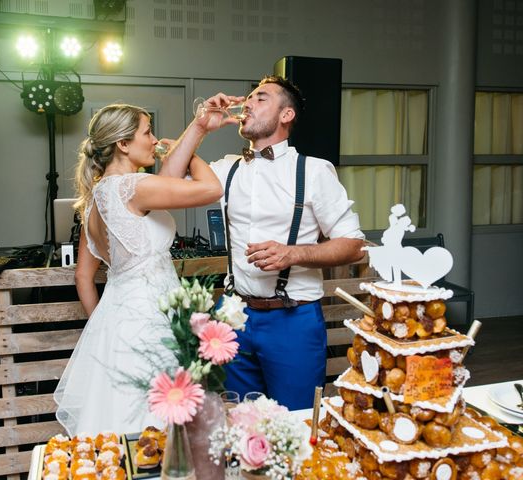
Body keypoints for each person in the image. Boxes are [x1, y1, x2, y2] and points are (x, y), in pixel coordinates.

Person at [161, 76, 365, 410]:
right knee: (241, 423)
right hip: (234, 316)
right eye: (250, 98)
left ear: (286, 115)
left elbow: (354, 243)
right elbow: (167, 183)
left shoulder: (313, 172)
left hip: (293, 320)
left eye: (261, 98)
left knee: (295, 422)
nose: (248, 104)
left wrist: (294, 254)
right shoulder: (226, 170)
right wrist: (200, 127)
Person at [54, 104, 223, 436]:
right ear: (123, 144)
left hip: (116, 324)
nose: (155, 140)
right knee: (157, 425)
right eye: (148, 132)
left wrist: (197, 129)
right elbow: (212, 188)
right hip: (150, 323)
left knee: (121, 422)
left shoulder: (95, 199)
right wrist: (179, 151)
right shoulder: (132, 187)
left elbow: (82, 277)